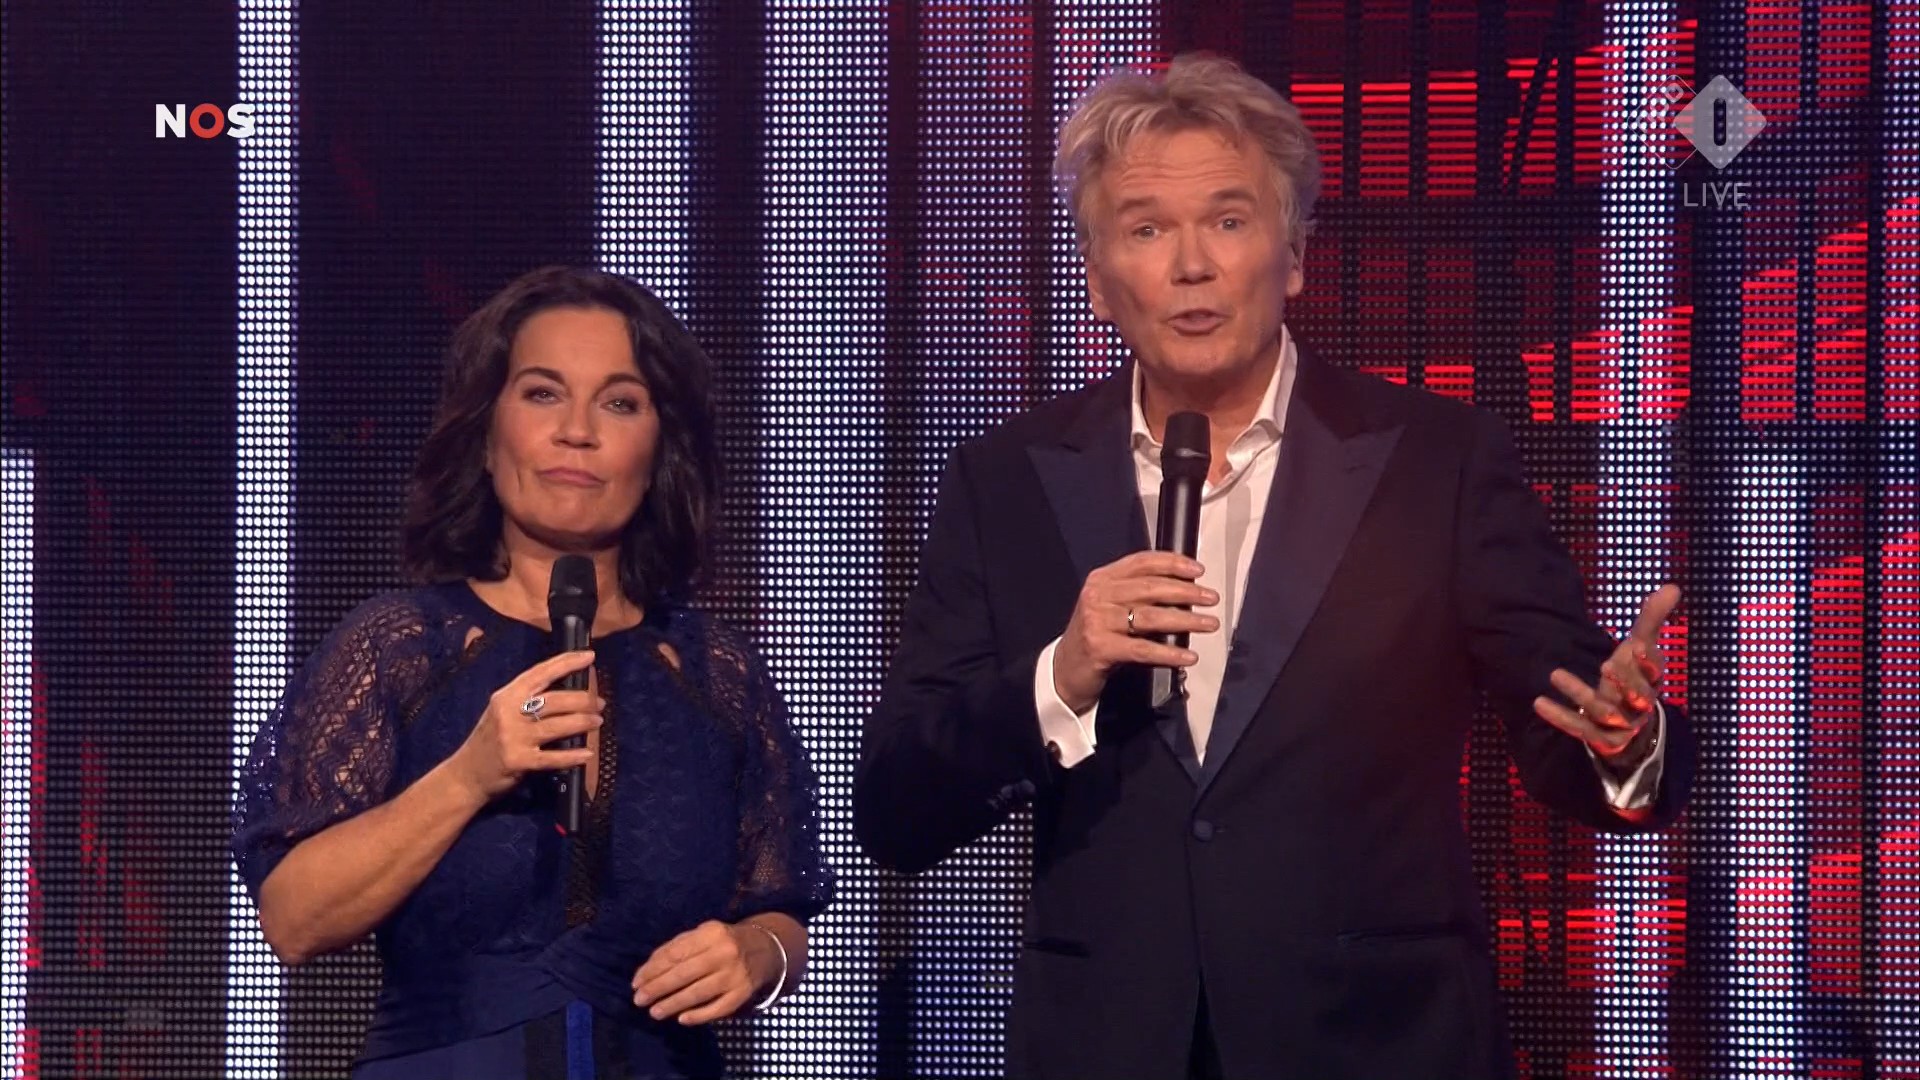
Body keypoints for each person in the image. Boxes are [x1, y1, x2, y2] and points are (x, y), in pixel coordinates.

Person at [856, 54, 1695, 1080]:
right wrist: (1059, 681)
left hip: (1378, 1043)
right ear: (1098, 279)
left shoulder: (1437, 461)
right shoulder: (1005, 481)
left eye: (1228, 219)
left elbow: (1566, 721)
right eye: (1146, 230)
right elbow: (896, 807)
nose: (1191, 265)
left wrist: (1625, 739)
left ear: (1293, 254)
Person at [232, 265, 832, 1079]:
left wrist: (761, 957)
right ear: (487, 435)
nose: (577, 431)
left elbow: (778, 909)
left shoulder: (713, 672)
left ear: (660, 450)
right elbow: (294, 920)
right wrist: (468, 777)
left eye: (619, 403)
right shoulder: (403, 647)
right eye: (543, 394)